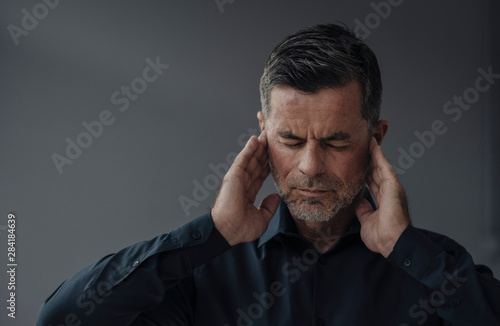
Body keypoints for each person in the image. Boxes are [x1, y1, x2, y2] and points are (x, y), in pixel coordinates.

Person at [37, 24, 500, 326]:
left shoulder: (431, 270)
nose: (310, 167)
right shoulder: (207, 269)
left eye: (336, 142)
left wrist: (408, 251)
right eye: (291, 141)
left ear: (375, 137)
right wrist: (212, 235)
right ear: (262, 133)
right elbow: (59, 319)